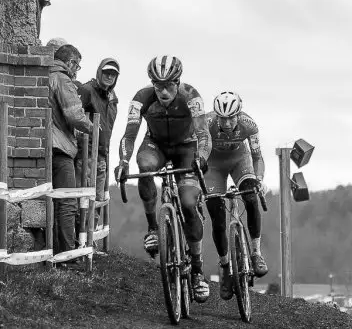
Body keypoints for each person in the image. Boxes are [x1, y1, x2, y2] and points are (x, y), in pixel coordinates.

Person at [114, 55, 212, 302]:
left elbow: (203, 133)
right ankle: (153, 228)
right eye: (158, 85)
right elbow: (128, 136)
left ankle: (198, 270)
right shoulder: (141, 98)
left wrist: (201, 157)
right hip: (155, 144)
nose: (163, 91)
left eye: (168, 85)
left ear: (178, 81)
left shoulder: (191, 96)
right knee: (144, 165)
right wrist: (123, 162)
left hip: (186, 148)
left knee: (189, 204)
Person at [204, 91, 268, 300]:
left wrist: (258, 179)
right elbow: (195, 154)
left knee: (250, 197)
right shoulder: (206, 123)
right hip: (213, 165)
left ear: (238, 115)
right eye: (223, 118)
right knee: (216, 216)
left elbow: (258, 157)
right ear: (217, 116)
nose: (228, 122)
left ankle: (256, 253)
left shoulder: (249, 125)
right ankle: (225, 268)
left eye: (232, 117)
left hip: (240, 160)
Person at [49, 44, 93, 257]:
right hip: (61, 147)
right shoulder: (63, 79)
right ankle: (66, 254)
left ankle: (53, 250)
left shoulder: (45, 75)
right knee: (67, 202)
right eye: (77, 65)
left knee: (51, 201)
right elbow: (74, 115)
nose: (77, 71)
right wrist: (92, 127)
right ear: (71, 62)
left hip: (46, 146)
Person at [75, 58, 120, 238]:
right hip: (86, 153)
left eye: (113, 74)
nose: (109, 76)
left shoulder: (112, 97)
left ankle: (88, 241)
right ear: (99, 72)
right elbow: (75, 117)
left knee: (98, 199)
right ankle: (79, 240)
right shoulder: (86, 90)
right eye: (106, 72)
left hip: (103, 153)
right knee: (84, 199)